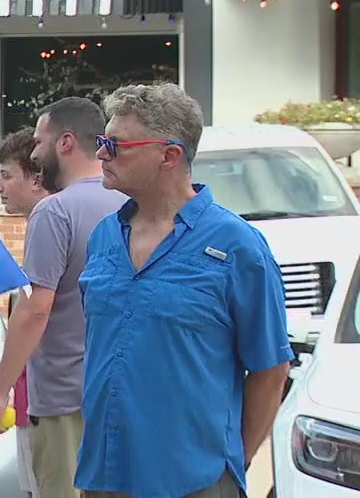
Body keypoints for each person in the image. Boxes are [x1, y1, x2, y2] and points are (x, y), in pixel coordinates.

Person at [78, 83, 292, 498]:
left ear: (169, 156)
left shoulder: (237, 247)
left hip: (194, 481)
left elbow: (271, 368)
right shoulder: (105, 236)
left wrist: (229, 468)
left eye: (116, 145)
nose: (102, 154)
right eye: (103, 142)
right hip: (104, 476)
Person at [0, 97, 126, 498]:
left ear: (65, 143)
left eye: (40, 143)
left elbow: (35, 309)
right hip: (124, 393)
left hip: (63, 398)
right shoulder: (132, 203)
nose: (36, 153)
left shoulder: (55, 212)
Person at [0, 127, 52, 498]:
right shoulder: (38, 228)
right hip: (32, 401)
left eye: (6, 175)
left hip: (48, 403)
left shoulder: (51, 223)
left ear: (37, 178)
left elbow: (35, 314)